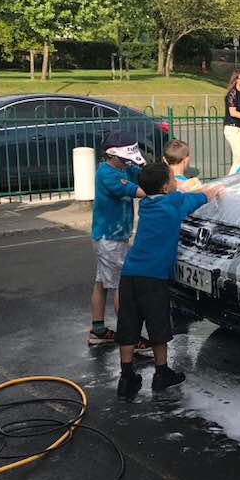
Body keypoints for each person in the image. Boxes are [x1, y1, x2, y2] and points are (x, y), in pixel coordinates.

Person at [115, 163, 225, 400]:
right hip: (153, 278)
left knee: (128, 326)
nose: (177, 182)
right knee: (158, 326)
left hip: (130, 274)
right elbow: (201, 197)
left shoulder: (145, 204)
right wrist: (215, 189)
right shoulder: (173, 201)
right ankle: (161, 373)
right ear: (166, 187)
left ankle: (126, 378)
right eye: (174, 179)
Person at [88, 131, 146, 347]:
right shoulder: (107, 174)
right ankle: (129, 337)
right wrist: (162, 190)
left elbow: (140, 174)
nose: (128, 164)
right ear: (111, 156)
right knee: (122, 287)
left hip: (114, 236)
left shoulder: (122, 168)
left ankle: (98, 330)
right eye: (124, 160)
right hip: (109, 238)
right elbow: (136, 190)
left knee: (102, 282)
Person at [223, 69, 240, 175]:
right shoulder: (232, 93)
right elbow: (232, 112)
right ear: (236, 80)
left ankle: (235, 179)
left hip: (239, 127)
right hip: (232, 128)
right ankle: (230, 181)